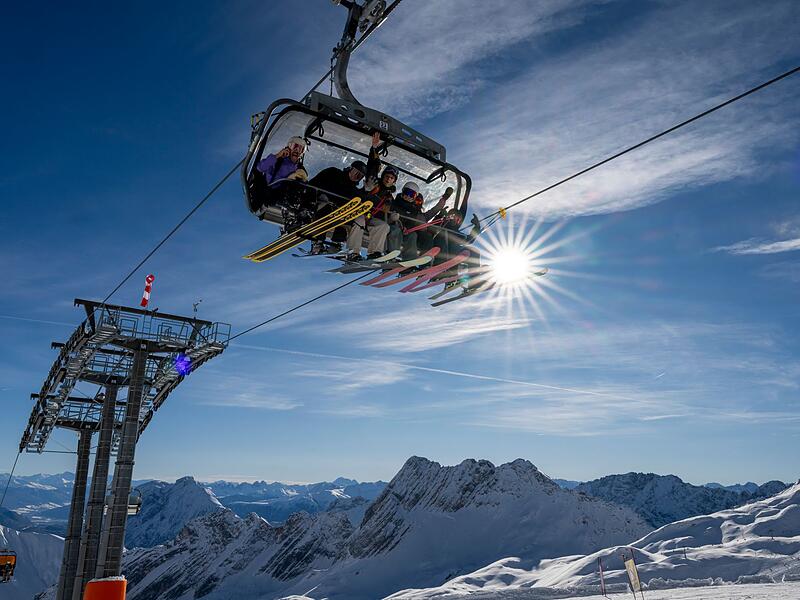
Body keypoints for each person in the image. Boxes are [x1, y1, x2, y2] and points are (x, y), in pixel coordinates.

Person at [306, 159, 367, 251]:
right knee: (326, 208)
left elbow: (360, 202)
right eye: (356, 172)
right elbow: (314, 183)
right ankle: (317, 242)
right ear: (350, 169)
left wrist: (367, 190)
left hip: (337, 214)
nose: (356, 176)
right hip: (321, 206)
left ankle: (336, 243)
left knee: (344, 218)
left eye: (360, 176)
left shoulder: (354, 191)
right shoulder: (333, 173)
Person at [387, 183, 450, 260]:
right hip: (400, 229)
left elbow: (433, 211)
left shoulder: (419, 214)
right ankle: (392, 255)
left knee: (424, 237)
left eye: (412, 195)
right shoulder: (399, 205)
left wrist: (443, 201)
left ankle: (419, 261)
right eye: (407, 193)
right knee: (403, 232)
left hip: (414, 234)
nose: (409, 196)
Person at [249, 136, 307, 215]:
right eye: (295, 146)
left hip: (285, 193)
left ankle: (304, 207)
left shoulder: (299, 168)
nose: (297, 150)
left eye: (301, 149)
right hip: (269, 192)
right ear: (289, 148)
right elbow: (260, 168)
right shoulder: (278, 160)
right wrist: (277, 156)